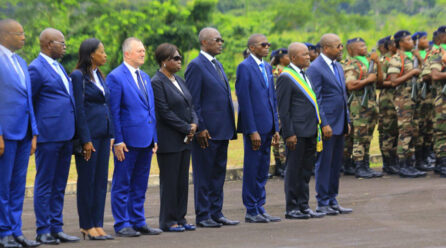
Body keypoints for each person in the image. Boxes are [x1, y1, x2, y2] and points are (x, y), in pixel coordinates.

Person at [29, 28, 80, 244]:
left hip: (65, 135)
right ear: (49, 44)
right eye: (62, 42)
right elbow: (28, 102)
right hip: (48, 135)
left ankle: (56, 227)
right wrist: (33, 131)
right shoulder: (36, 69)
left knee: (59, 184)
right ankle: (43, 230)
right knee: (45, 183)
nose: (65, 46)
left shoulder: (59, 66)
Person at [107, 37, 162, 237]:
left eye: (144, 50)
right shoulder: (116, 77)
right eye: (139, 50)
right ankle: (122, 223)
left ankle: (138, 220)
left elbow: (151, 110)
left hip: (146, 139)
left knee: (140, 184)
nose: (143, 53)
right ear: (127, 53)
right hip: (127, 141)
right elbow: (114, 112)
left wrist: (154, 137)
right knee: (122, 183)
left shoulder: (145, 77)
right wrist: (118, 140)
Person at [185, 27, 239, 228]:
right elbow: (193, 101)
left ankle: (217, 212)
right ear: (204, 43)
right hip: (206, 132)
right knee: (204, 175)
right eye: (216, 40)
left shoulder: (218, 64)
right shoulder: (196, 66)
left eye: (221, 39)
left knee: (218, 174)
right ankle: (204, 214)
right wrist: (200, 128)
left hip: (222, 130)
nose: (220, 43)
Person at [0, 19, 40, 248]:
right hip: (5, 135)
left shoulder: (22, 62)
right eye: (19, 33)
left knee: (17, 186)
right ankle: (3, 232)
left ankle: (16, 232)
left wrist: (34, 133)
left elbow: (28, 102)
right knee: (2, 186)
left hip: (24, 134)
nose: (24, 37)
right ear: (4, 35)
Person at [151, 43, 198, 232]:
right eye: (175, 58)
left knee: (182, 182)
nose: (180, 61)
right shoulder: (157, 82)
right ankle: (169, 220)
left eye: (180, 58)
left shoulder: (179, 80)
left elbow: (190, 105)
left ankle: (181, 217)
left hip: (185, 139)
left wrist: (194, 123)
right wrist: (186, 127)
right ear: (164, 61)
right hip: (169, 139)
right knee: (170, 182)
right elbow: (163, 112)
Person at [276, 42, 325, 220]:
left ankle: (304, 205)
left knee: (305, 171)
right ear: (293, 58)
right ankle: (292, 207)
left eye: (308, 54)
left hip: (310, 130)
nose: (308, 56)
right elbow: (284, 109)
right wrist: (289, 133)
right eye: (304, 54)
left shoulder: (305, 75)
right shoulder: (286, 77)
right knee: (294, 171)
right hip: (296, 133)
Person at [71, 38, 114, 241]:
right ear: (91, 55)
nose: (105, 55)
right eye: (102, 52)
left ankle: (98, 223)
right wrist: (85, 139)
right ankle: (86, 225)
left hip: (104, 136)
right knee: (87, 181)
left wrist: (111, 133)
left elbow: (105, 105)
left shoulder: (99, 75)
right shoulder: (78, 76)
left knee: (100, 182)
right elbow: (79, 109)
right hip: (89, 137)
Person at [235, 33, 281, 223]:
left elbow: (272, 98)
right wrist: (251, 130)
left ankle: (260, 206)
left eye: (268, 44)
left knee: (263, 169)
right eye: (263, 44)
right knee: (253, 168)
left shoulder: (267, 67)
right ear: (252, 48)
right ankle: (251, 209)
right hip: (255, 127)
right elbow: (244, 101)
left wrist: (276, 127)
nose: (267, 47)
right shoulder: (245, 67)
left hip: (268, 126)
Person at [306, 33, 352, 216]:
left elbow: (342, 97)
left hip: (340, 123)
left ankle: (333, 199)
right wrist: (323, 123)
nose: (341, 49)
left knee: (335, 164)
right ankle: (322, 201)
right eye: (338, 46)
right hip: (327, 125)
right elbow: (316, 98)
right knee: (324, 163)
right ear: (326, 48)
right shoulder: (315, 68)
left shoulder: (338, 67)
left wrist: (347, 120)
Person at [387, 30, 426, 178]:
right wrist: (412, 72)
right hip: (403, 100)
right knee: (405, 132)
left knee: (413, 130)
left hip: (414, 99)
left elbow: (420, 74)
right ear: (401, 43)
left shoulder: (411, 58)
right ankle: (403, 165)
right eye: (409, 40)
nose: (412, 42)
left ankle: (410, 163)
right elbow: (393, 81)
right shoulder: (397, 59)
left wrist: (419, 60)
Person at [343, 37, 383, 178]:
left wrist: (377, 63)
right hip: (358, 104)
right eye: (360, 46)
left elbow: (379, 82)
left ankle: (366, 165)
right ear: (351, 49)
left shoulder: (367, 61)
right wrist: (367, 80)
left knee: (367, 136)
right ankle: (359, 166)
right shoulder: (350, 63)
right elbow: (350, 85)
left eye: (365, 44)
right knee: (360, 135)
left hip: (371, 103)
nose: (364, 47)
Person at [424, 26, 446, 176]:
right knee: (442, 131)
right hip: (443, 100)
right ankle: (442, 162)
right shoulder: (438, 52)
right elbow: (435, 75)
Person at [412, 31, 435, 171]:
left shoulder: (429, 54)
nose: (427, 40)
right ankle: (419, 159)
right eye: (424, 38)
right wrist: (419, 59)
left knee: (429, 128)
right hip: (419, 97)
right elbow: (423, 74)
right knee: (419, 128)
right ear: (417, 41)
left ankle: (427, 155)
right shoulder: (413, 56)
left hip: (430, 97)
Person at [378, 37, 400, 175]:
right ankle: (387, 163)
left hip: (398, 99)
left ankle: (394, 160)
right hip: (388, 100)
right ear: (390, 46)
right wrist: (395, 82)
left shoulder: (399, 58)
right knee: (388, 131)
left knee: (397, 131)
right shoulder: (384, 61)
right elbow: (379, 82)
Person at [270, 48, 289, 178]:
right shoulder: (277, 73)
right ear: (281, 58)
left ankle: (282, 165)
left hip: (285, 108)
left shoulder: (287, 71)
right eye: (287, 56)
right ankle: (281, 165)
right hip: (278, 109)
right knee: (280, 138)